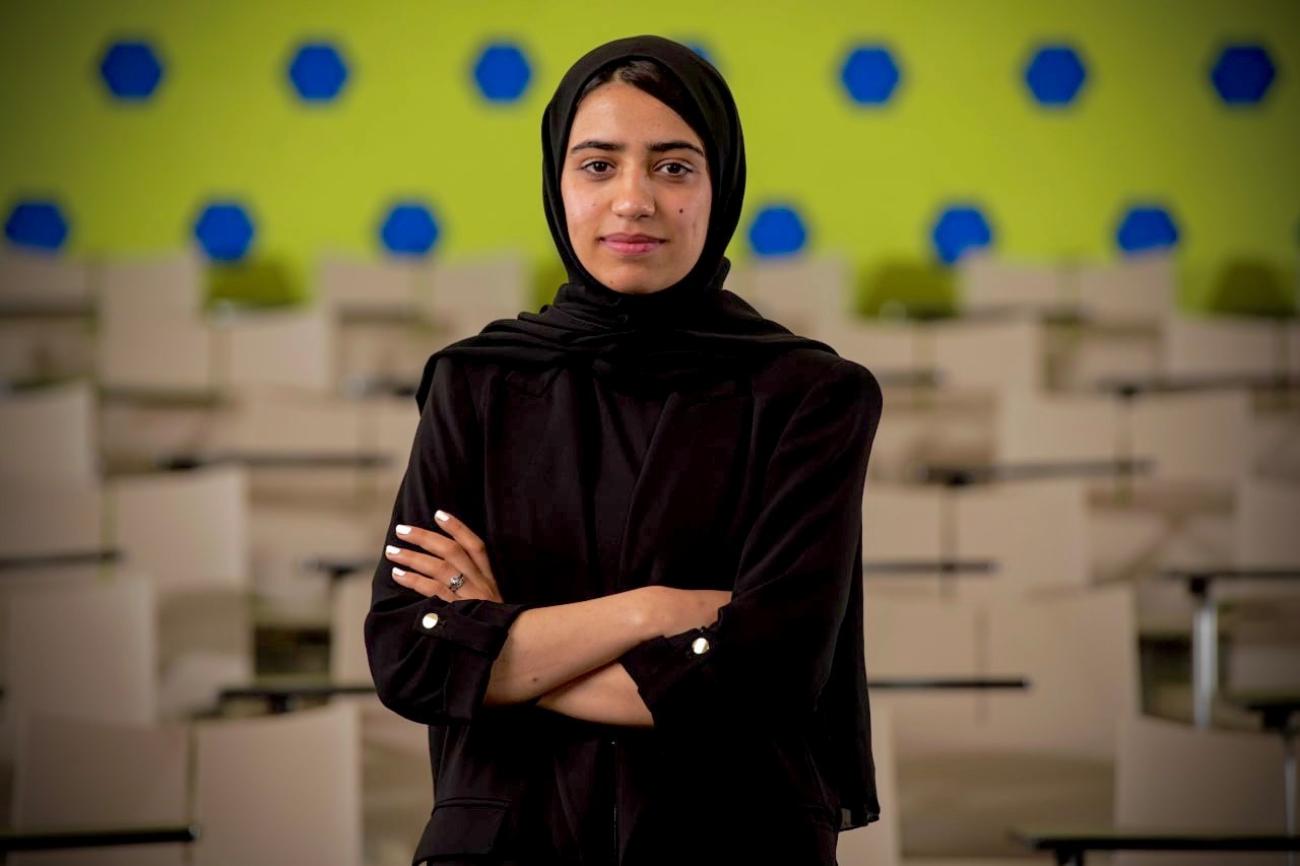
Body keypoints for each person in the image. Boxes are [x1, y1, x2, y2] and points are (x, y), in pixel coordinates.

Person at [364, 34, 884, 866]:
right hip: (506, 839)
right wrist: (653, 612)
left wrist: (501, 651)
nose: (633, 199)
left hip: (733, 839)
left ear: (721, 186)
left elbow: (770, 676)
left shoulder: (812, 396)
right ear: (558, 183)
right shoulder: (477, 382)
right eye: (598, 166)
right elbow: (413, 655)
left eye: (673, 167)